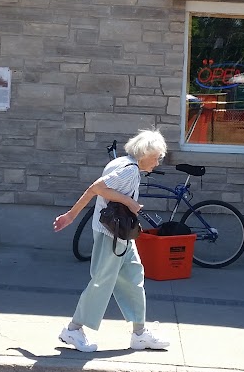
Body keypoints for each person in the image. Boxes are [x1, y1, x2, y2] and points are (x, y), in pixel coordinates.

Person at [52, 129, 171, 354]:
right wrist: (129, 202)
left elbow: (98, 190)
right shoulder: (130, 170)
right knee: (102, 281)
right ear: (145, 154)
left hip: (120, 234)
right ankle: (73, 329)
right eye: (156, 158)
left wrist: (71, 215)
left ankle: (139, 333)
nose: (157, 163)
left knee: (134, 277)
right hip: (112, 235)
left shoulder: (122, 163)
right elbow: (97, 189)